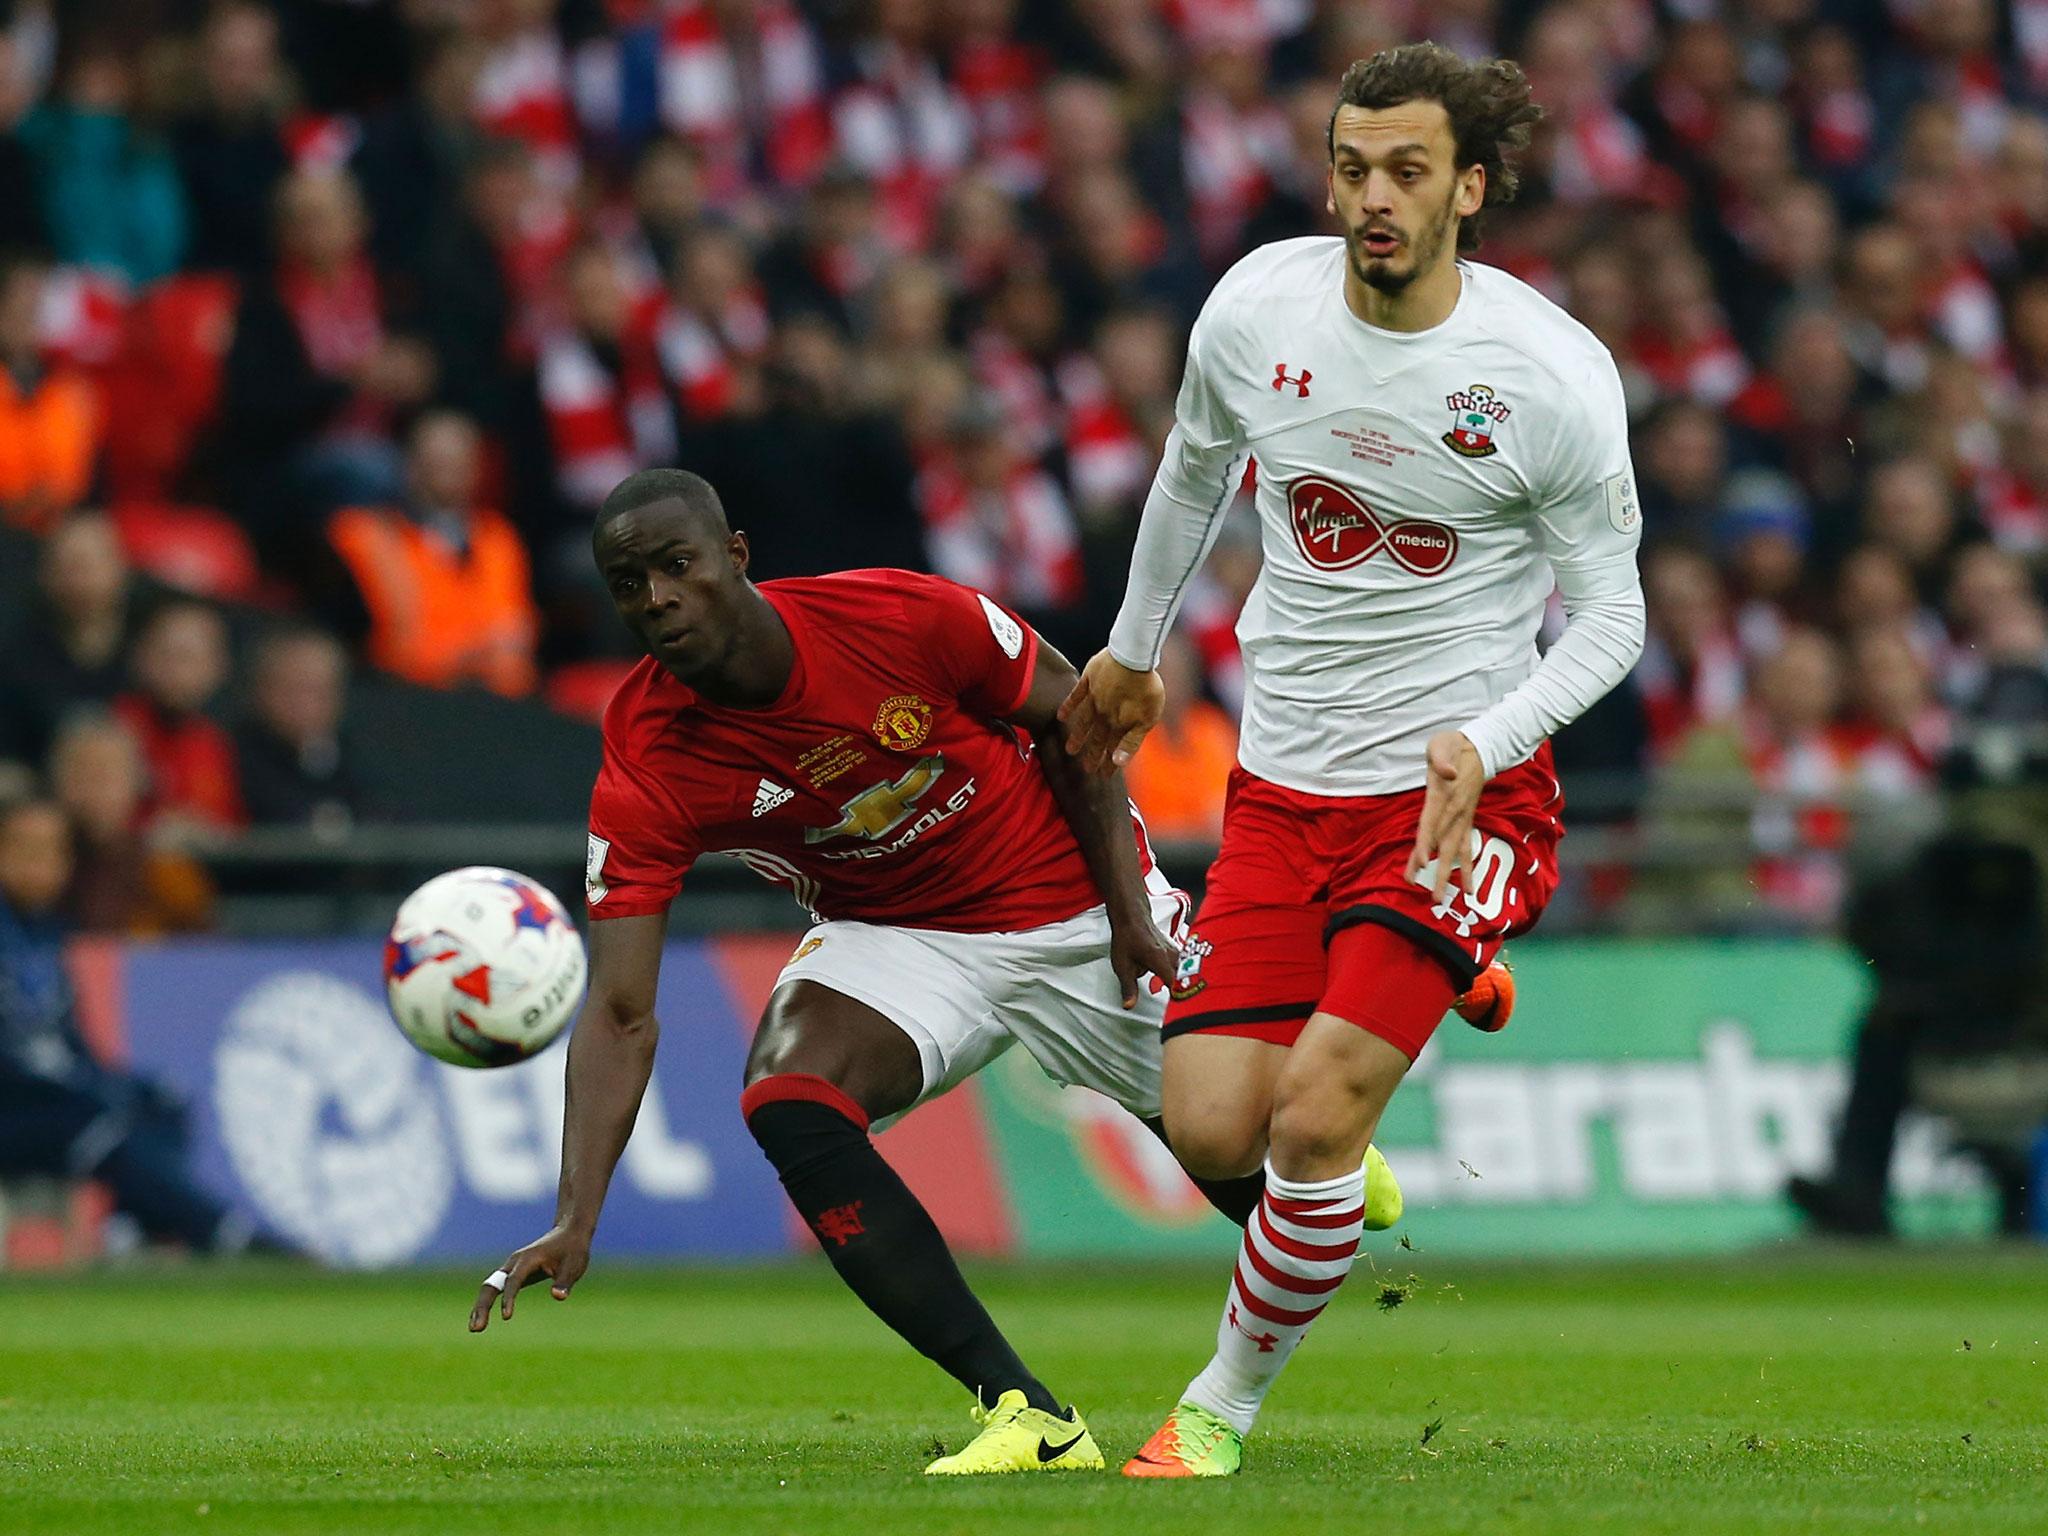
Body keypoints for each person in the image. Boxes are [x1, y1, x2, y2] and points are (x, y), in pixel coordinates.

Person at [466, 468, 1403, 1476]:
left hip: (1070, 902)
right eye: (627, 583)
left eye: (674, 566)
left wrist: (1130, 911)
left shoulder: (897, 615)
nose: (655, 598)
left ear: (733, 558)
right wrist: (577, 1214)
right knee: (787, 1096)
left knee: (1258, 1169)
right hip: (896, 934)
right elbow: (617, 1010)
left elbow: (1074, 720)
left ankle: (1317, 1151)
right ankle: (1028, 1418)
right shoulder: (649, 754)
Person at [1061, 43, 1646, 1476]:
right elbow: (1196, 469)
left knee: (1311, 1118)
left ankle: (1216, 1412)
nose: (1370, 196)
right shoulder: (1257, 308)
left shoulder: (1548, 378)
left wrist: (1487, 735)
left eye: (1406, 171)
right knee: (1212, 1132)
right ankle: (1403, 1038)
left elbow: (1617, 617)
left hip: (1461, 800)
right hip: (1282, 789)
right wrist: (1134, 650)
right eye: (1349, 164)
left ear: (1471, 191)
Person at [0, 798, 249, 1253]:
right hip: (14, 1104)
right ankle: (223, 1233)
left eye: (54, 852)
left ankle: (137, 1231)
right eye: (25, 849)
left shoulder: (46, 934)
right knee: (97, 1118)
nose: (42, 866)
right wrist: (71, 1083)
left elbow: (70, 1039)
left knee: (160, 1100)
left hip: (56, 1096)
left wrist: (94, 1079)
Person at [325, 411, 540, 698]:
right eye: (437, 463)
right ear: (410, 465)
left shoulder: (498, 538)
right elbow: (389, 645)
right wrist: (471, 654)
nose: (450, 474)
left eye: (460, 463)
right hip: (406, 698)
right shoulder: (366, 534)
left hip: (501, 703)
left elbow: (515, 633)